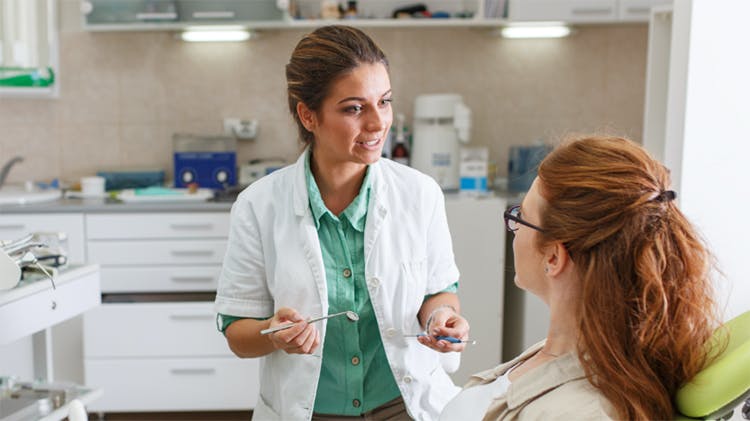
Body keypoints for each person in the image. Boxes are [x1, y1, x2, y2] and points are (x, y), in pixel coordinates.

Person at [214, 25, 470, 421]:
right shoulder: (258, 206)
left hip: (404, 406)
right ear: (308, 115)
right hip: (310, 412)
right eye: (354, 108)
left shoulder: (420, 194)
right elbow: (238, 334)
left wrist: (440, 318)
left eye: (384, 102)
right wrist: (273, 332)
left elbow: (439, 292)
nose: (377, 123)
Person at [440, 135, 721, 420]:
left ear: (553, 257)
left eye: (520, 218)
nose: (514, 228)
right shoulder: (573, 350)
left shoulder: (578, 412)